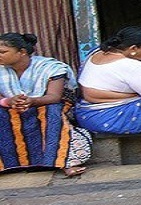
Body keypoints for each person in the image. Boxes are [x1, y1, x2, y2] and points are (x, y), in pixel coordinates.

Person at [0, 33, 91, 177]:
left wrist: (32, 101)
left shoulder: (51, 68)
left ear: (22, 52)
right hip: (13, 107)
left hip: (47, 104)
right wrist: (8, 101)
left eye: (3, 52)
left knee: (51, 112)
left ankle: (65, 162)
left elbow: (54, 97)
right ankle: (5, 165)